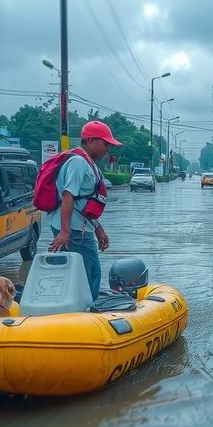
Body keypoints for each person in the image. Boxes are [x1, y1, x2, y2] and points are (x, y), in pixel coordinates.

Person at [47, 120, 122, 301]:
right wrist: (65, 232)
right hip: (73, 230)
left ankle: (82, 309)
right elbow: (68, 196)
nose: (108, 149)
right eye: (105, 143)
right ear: (91, 141)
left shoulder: (90, 164)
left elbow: (85, 203)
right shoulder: (78, 162)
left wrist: (98, 228)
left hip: (81, 227)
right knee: (88, 276)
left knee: (90, 273)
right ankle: (85, 313)